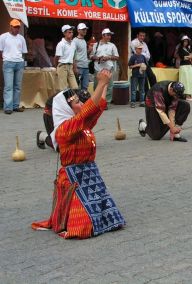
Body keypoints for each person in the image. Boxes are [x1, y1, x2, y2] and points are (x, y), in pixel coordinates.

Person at [31, 70, 125, 239]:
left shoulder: (80, 123)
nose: (81, 103)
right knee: (83, 228)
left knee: (111, 221)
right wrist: (101, 83)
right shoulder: (65, 129)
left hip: (89, 172)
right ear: (66, 108)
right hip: (74, 177)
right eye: (76, 102)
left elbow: (97, 108)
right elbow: (89, 110)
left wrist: (105, 83)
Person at [0, 19, 27, 114]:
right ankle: (8, 107)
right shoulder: (3, 37)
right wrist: (5, 59)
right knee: (8, 86)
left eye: (18, 27)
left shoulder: (21, 38)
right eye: (15, 27)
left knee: (17, 86)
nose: (17, 29)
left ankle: (15, 106)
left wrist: (22, 61)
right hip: (8, 62)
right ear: (10, 26)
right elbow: (1, 50)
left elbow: (24, 52)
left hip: (19, 62)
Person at [90, 28, 119, 107]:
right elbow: (91, 56)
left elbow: (117, 57)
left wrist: (108, 57)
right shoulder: (96, 45)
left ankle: (105, 103)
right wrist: (98, 58)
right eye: (108, 35)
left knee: (109, 86)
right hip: (98, 68)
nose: (109, 37)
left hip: (108, 68)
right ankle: (96, 102)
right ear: (103, 35)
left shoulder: (112, 45)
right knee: (97, 86)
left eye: (110, 35)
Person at [55, 25, 78, 90]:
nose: (71, 34)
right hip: (62, 65)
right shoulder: (61, 44)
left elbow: (73, 57)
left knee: (75, 87)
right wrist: (57, 67)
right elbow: (56, 57)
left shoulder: (73, 43)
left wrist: (74, 67)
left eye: (72, 32)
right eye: (69, 32)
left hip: (70, 66)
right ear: (64, 33)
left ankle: (72, 100)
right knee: (63, 88)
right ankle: (64, 100)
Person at [177, 35, 192, 101]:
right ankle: (186, 95)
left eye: (187, 41)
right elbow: (183, 58)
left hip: (189, 65)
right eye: (184, 41)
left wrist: (189, 57)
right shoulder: (180, 49)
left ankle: (191, 95)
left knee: (190, 80)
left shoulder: (188, 49)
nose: (186, 43)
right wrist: (189, 57)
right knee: (185, 80)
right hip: (183, 66)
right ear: (182, 42)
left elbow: (191, 56)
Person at [129, 43, 147, 108]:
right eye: (139, 48)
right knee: (134, 89)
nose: (140, 50)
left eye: (141, 48)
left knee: (142, 89)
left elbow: (146, 65)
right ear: (136, 49)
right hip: (135, 75)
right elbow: (130, 66)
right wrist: (138, 65)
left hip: (142, 75)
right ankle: (133, 102)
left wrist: (144, 67)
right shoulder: (133, 57)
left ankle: (142, 101)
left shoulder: (143, 57)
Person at [73, 23, 90, 90]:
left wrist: (89, 51)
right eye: (83, 29)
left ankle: (83, 100)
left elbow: (83, 54)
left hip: (85, 66)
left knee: (85, 86)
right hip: (79, 67)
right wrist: (75, 67)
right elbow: (73, 55)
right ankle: (76, 100)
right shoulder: (75, 41)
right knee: (76, 86)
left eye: (85, 29)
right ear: (78, 30)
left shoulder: (84, 41)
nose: (85, 31)